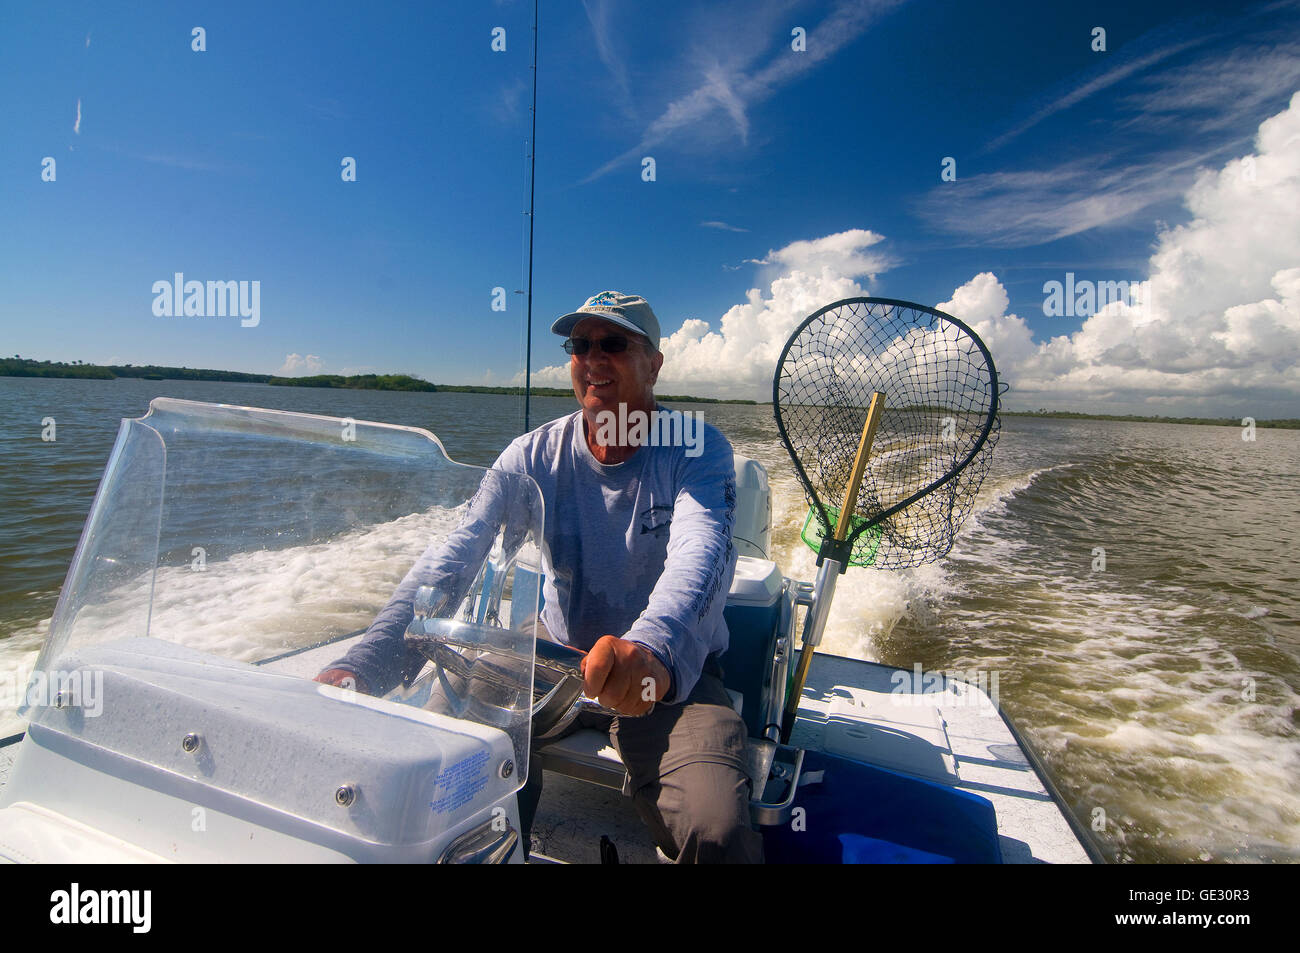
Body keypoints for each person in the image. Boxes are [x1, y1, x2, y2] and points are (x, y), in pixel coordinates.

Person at [316, 291, 762, 863]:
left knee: (715, 828)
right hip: (547, 653)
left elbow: (698, 561)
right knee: (435, 783)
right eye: (581, 345)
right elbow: (456, 554)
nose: (594, 358)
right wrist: (366, 662)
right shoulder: (530, 455)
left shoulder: (697, 450)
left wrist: (648, 649)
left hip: (665, 668)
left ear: (654, 362)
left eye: (614, 343)